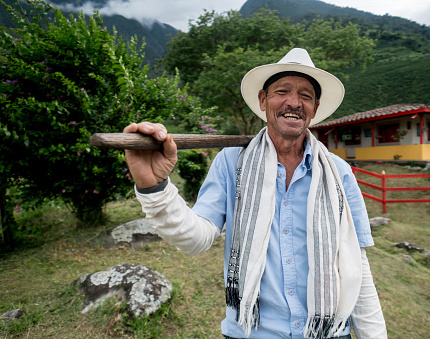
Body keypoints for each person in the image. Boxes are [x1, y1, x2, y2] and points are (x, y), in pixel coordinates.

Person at [123, 48, 387, 339]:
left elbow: (357, 268)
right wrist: (154, 187)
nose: (294, 102)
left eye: (305, 95)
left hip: (329, 333)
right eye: (282, 91)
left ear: (315, 106)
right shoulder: (231, 161)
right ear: (263, 100)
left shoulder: (339, 173)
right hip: (251, 333)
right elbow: (196, 239)